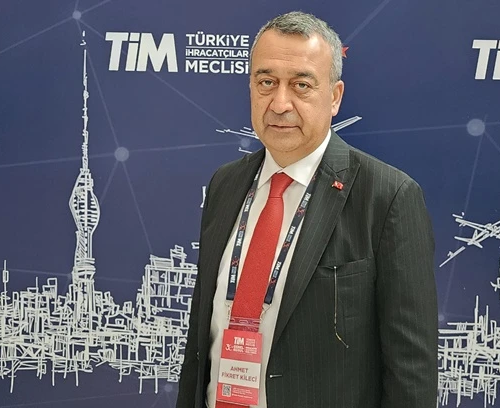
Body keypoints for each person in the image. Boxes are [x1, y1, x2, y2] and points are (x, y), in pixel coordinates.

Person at [177, 10, 438, 408]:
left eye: (301, 85)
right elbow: (201, 344)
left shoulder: (387, 198)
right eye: (267, 82)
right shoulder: (224, 185)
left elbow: (411, 376)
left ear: (334, 97)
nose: (280, 103)